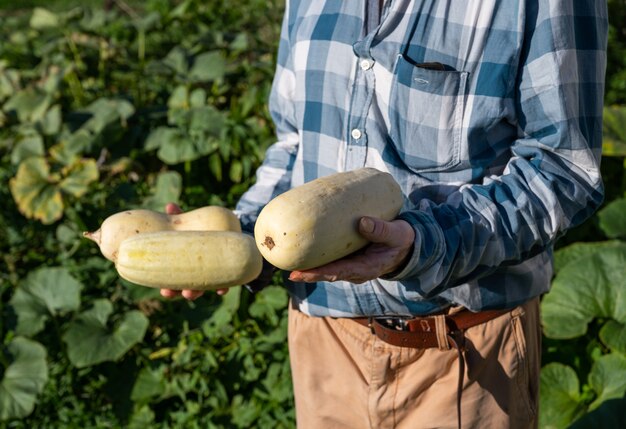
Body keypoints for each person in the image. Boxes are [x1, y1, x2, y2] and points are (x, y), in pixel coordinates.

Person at [162, 1, 608, 428]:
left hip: (463, 353)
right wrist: (240, 240)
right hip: (323, 340)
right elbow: (296, 144)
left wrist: (426, 242)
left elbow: (564, 169)